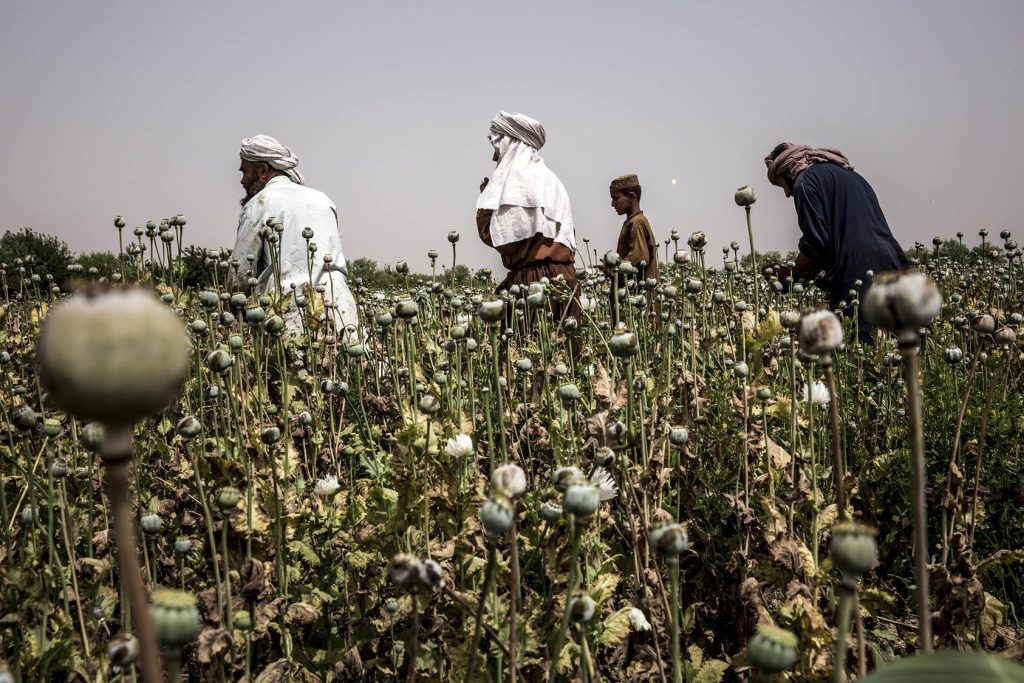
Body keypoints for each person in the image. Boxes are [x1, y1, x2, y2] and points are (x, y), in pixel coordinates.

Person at [765, 142, 908, 341]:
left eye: (781, 185)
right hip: (894, 263)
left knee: (859, 350)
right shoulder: (851, 175)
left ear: (787, 171)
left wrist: (788, 275)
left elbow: (816, 244)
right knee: (903, 346)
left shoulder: (804, 182)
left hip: (855, 273)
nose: (786, 193)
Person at [230, 134, 359, 339]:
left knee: (296, 370)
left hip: (291, 318)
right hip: (342, 314)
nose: (242, 180)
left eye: (245, 171)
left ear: (263, 171)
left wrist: (232, 322)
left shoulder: (260, 203)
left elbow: (240, 277)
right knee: (347, 371)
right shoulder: (323, 200)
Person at [476, 111, 579, 325]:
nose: (495, 157)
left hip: (533, 285)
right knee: (564, 353)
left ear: (511, 145)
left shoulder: (517, 183)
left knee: (531, 350)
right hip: (565, 282)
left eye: (497, 149)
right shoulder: (551, 180)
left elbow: (504, 240)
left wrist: (487, 204)